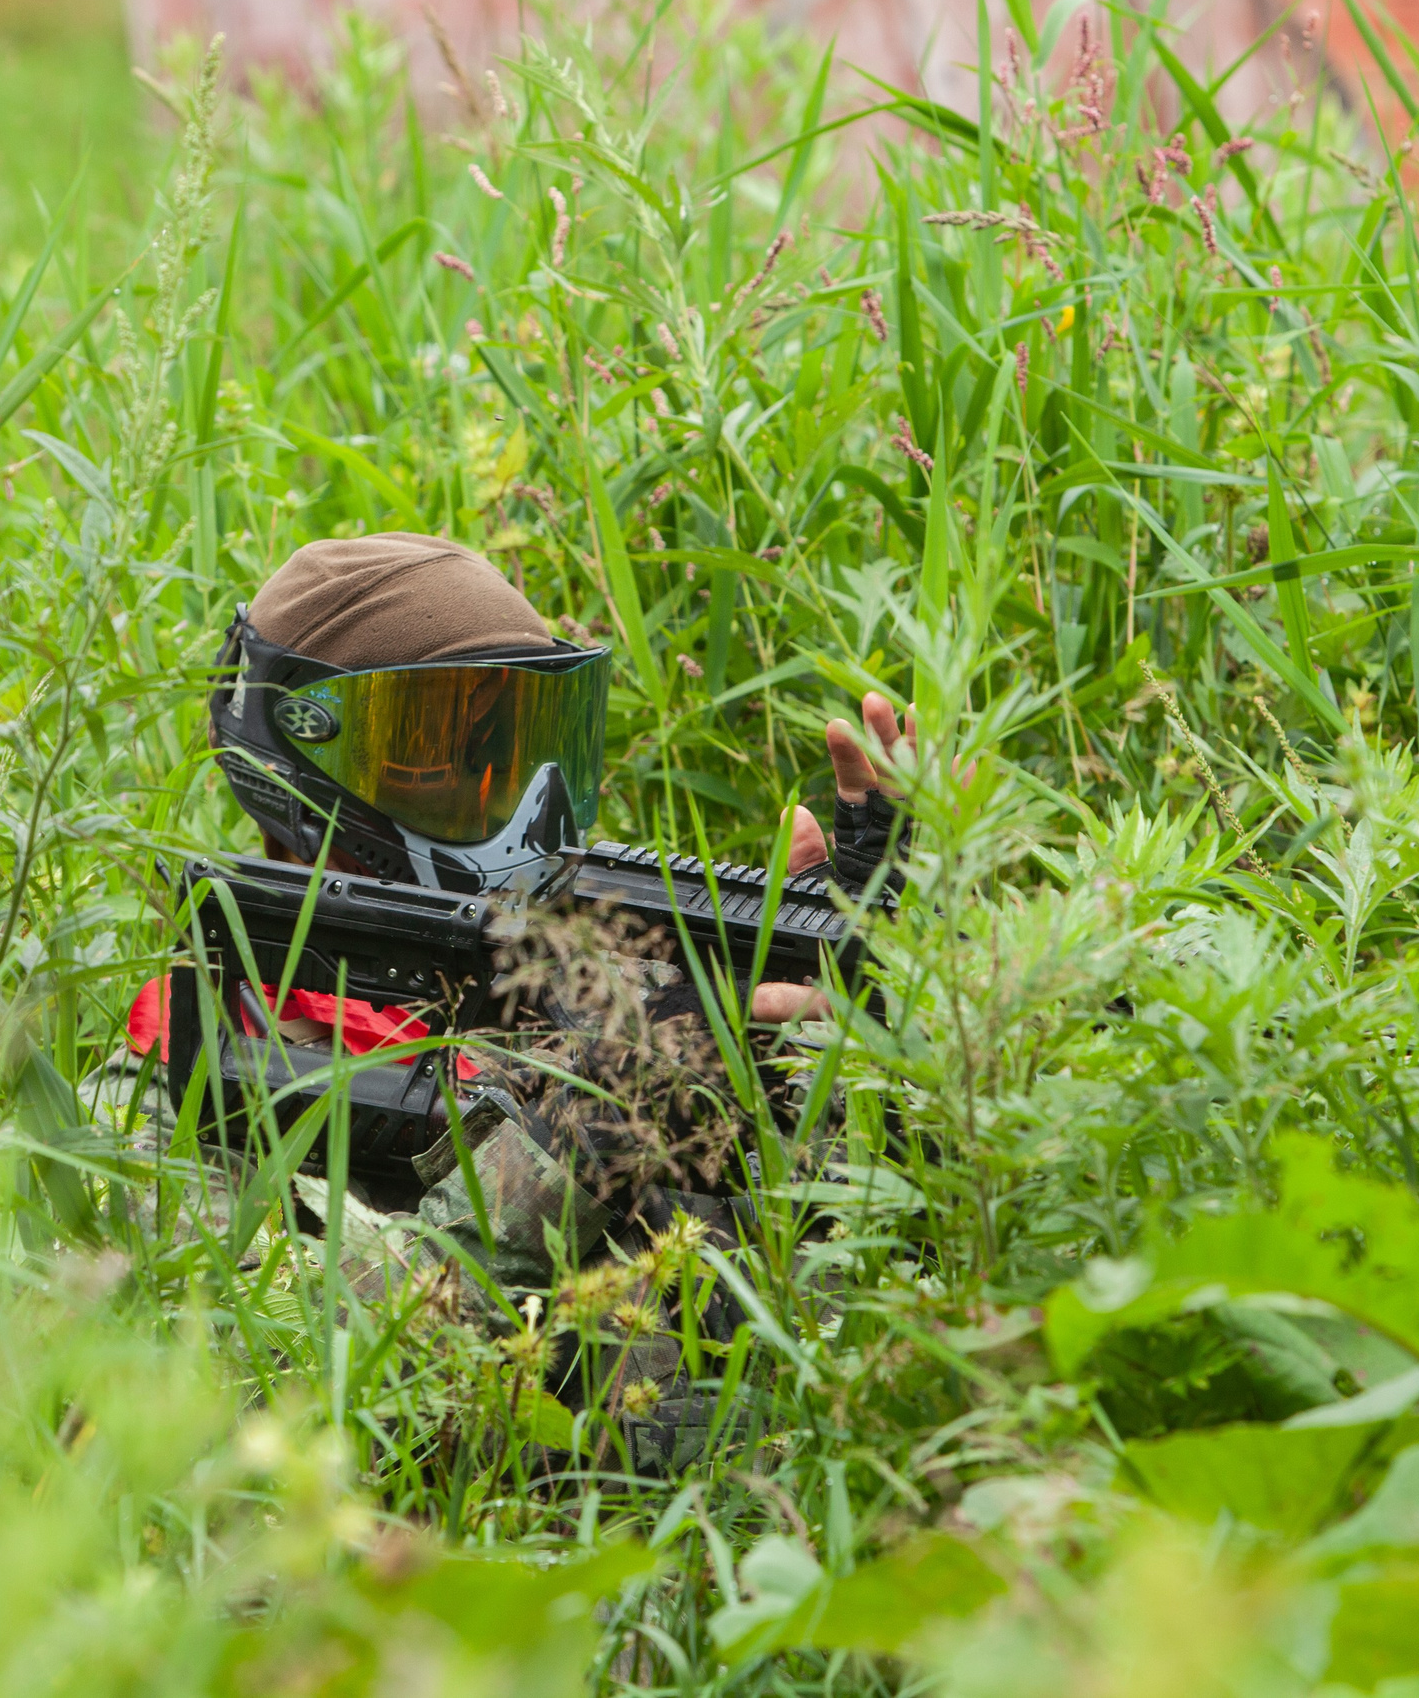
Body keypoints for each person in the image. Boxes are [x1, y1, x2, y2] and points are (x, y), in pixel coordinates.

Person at [97, 531, 912, 1469]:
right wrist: (581, 1137)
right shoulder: (166, 1095)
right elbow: (297, 1387)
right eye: (444, 753)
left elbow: (844, 1319)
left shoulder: (619, 1005)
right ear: (300, 764)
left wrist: (844, 1033)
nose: (516, 801)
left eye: (524, 746)